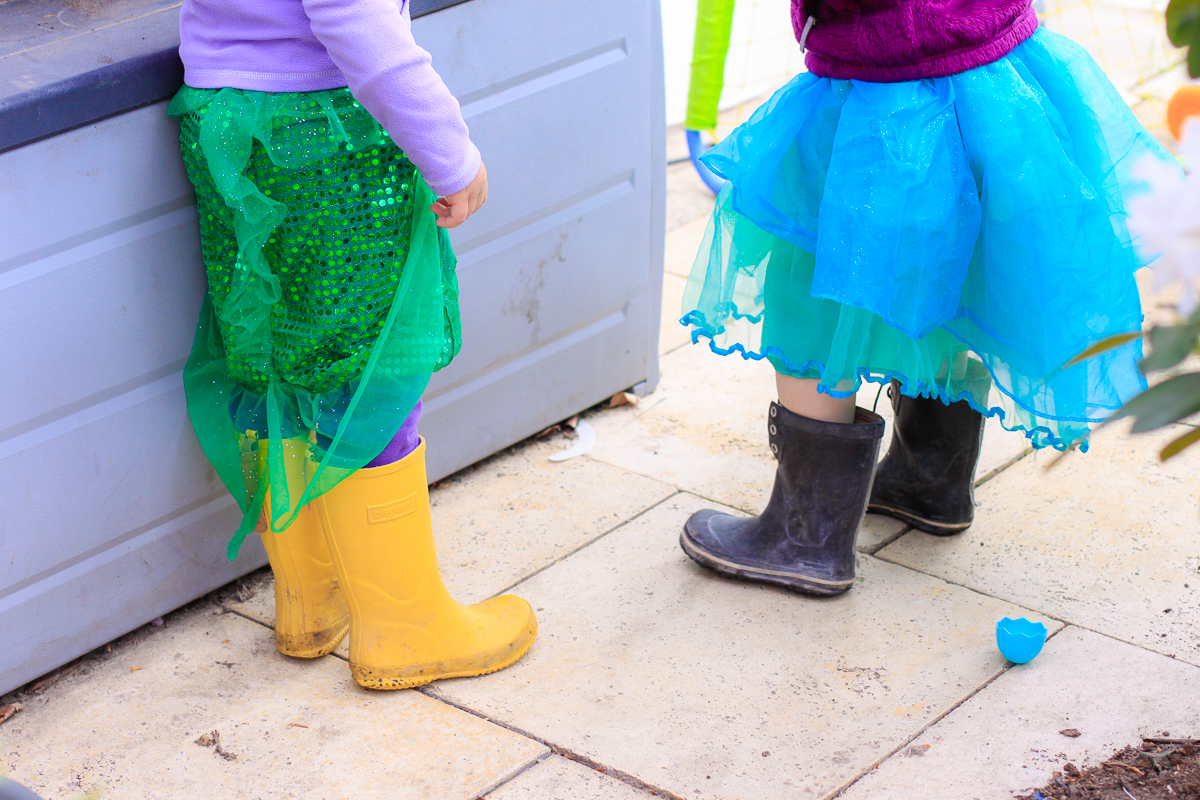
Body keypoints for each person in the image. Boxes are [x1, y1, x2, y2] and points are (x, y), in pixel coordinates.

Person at [679, 0, 1174, 596]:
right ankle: (928, 479)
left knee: (812, 288)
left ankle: (804, 536)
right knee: (954, 277)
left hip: (883, 91)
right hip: (995, 75)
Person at [168, 0, 536, 689]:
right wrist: (450, 155)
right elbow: (358, 21)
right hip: (317, 131)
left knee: (271, 351)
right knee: (370, 361)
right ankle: (403, 628)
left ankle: (311, 600)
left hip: (222, 115)